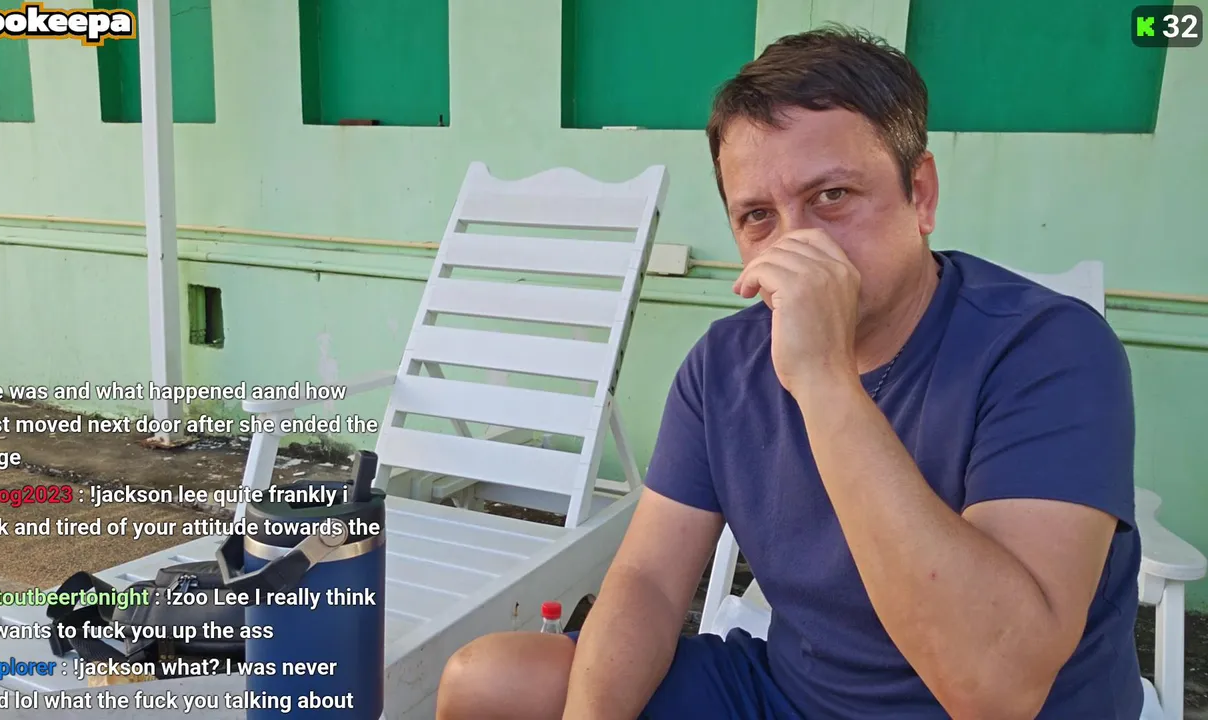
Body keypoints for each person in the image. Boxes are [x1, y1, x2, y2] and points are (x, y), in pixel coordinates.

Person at [436, 26, 1142, 720]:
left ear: (921, 194)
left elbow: (996, 689)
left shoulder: (1048, 348)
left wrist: (824, 380)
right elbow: (649, 580)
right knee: (490, 683)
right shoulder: (726, 363)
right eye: (757, 216)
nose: (798, 243)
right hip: (794, 696)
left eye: (832, 195)